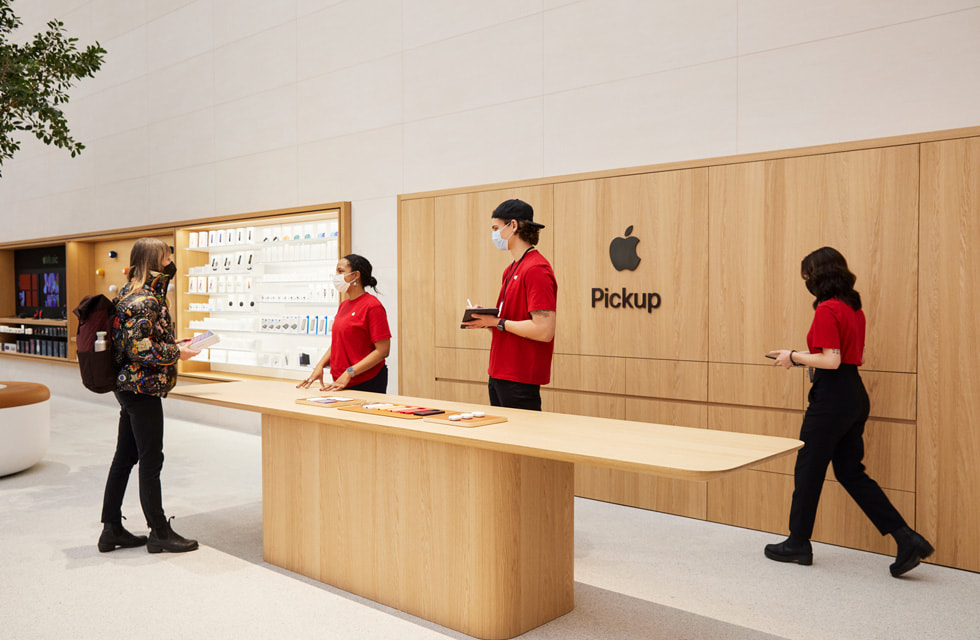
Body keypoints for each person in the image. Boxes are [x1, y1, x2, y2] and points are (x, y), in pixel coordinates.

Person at [765, 247, 933, 577]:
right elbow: (859, 357)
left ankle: (798, 542)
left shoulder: (827, 309)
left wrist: (794, 356)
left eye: (808, 276)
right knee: (849, 471)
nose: (808, 282)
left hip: (831, 397)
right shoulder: (853, 309)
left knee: (809, 468)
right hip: (854, 395)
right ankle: (906, 538)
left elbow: (831, 360)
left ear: (820, 276)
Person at [98, 238, 200, 554]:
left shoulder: (133, 292)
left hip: (130, 387)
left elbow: (144, 338)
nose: (172, 260)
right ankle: (158, 531)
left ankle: (111, 528)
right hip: (141, 387)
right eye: (167, 256)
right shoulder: (144, 300)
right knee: (150, 458)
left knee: (126, 456)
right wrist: (177, 352)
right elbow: (140, 348)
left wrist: (174, 344)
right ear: (156, 259)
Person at [462, 199, 557, 410]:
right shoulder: (511, 269)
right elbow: (508, 323)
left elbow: (543, 330)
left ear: (513, 225)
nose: (494, 234)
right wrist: (487, 321)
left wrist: (497, 322)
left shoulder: (536, 269)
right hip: (499, 373)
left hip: (520, 377)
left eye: (496, 228)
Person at [297, 254, 391, 393]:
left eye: (340, 271)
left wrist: (350, 372)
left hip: (366, 382)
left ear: (356, 275)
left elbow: (383, 351)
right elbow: (338, 342)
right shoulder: (344, 305)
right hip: (341, 382)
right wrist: (320, 366)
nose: (336, 276)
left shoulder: (372, 306)